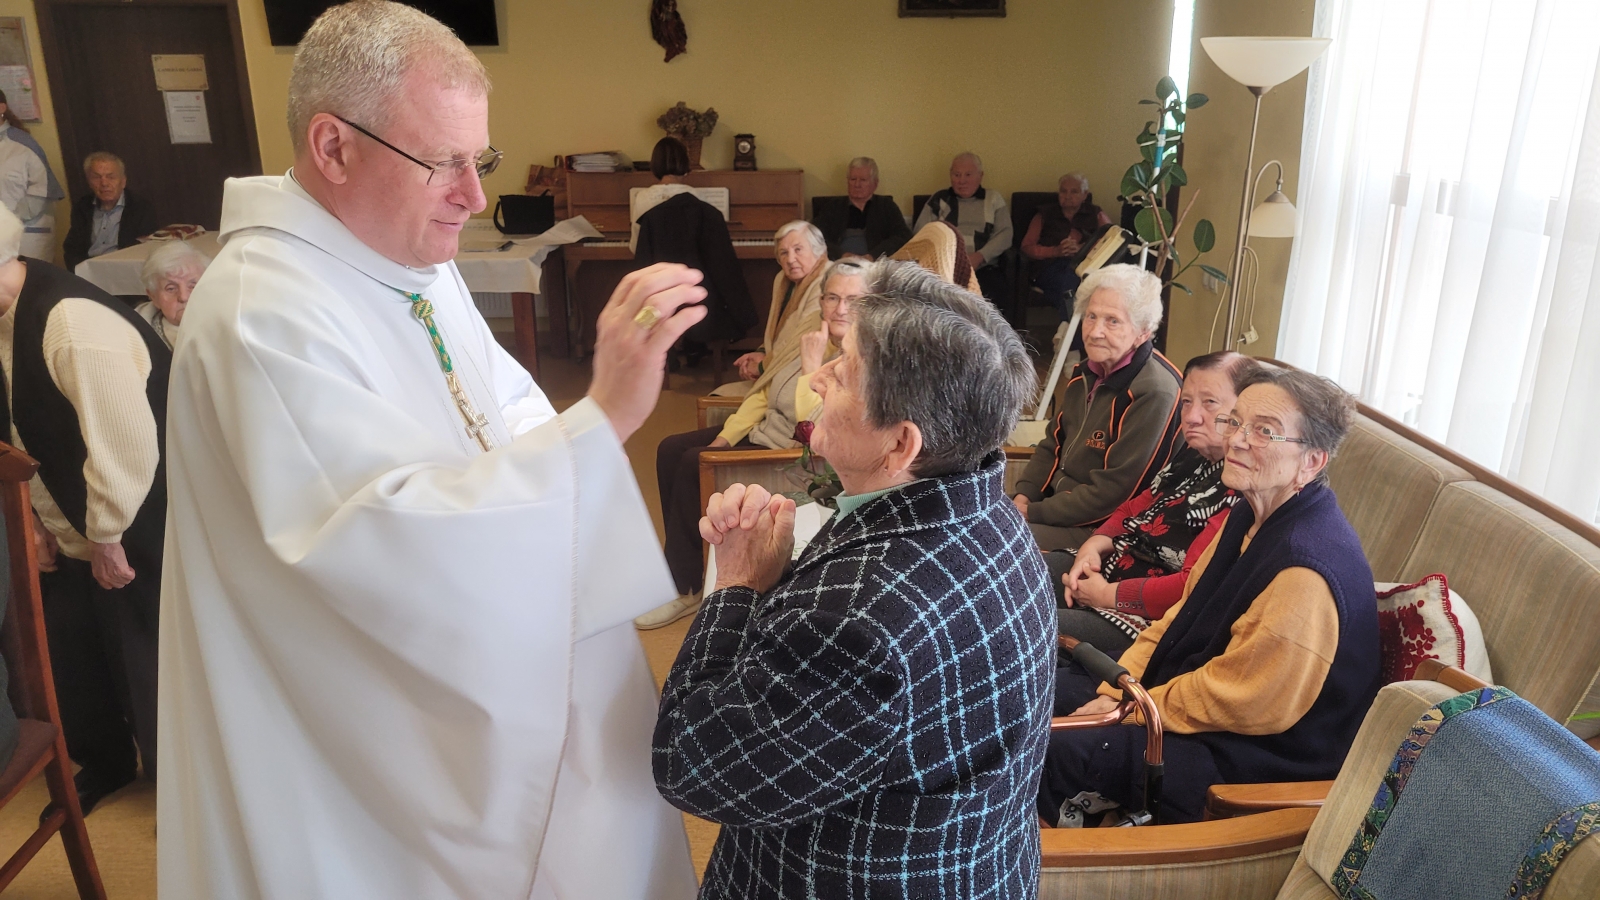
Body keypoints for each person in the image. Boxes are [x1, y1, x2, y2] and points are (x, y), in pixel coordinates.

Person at [159, 3, 703, 898]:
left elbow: (506, 414)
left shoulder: (406, 257)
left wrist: (582, 426)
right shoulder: (263, 312)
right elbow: (374, 543)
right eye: (442, 162)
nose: (475, 196)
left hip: (492, 692)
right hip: (359, 758)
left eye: (477, 158)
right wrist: (600, 418)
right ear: (332, 148)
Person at [654, 260, 1053, 899]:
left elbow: (691, 764)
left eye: (841, 370)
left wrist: (736, 586)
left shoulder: (857, 623)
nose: (817, 376)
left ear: (901, 445)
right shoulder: (991, 513)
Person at [1039, 366, 1380, 827]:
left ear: (1312, 461)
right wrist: (1115, 690)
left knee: (1057, 750)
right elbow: (1178, 619)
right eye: (1236, 421)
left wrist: (1134, 710)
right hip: (1182, 701)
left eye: (1264, 431)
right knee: (1033, 692)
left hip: (1252, 759)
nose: (1237, 439)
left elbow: (1242, 698)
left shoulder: (1306, 570)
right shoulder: (1246, 514)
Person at [0, 204, 168, 819]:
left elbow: (125, 444)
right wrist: (36, 521)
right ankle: (105, 763)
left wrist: (105, 536)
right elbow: (21, 424)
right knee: (73, 651)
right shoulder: (6, 310)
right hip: (67, 513)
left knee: (144, 654)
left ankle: (176, 788)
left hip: (137, 515)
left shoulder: (70, 323)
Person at [638, 258, 870, 629]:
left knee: (690, 463)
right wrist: (725, 436)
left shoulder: (862, 356)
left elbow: (814, 426)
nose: (840, 309)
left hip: (789, 449)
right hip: (764, 428)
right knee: (670, 448)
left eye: (853, 300)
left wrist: (812, 367)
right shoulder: (814, 334)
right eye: (832, 297)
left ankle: (687, 589)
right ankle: (680, 569)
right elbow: (764, 393)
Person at [1050, 351, 1248, 658]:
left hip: (1144, 618)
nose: (1192, 416)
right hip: (1112, 565)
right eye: (1186, 401)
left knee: (1020, 626)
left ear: (1243, 410)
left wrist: (1106, 595)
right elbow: (1133, 509)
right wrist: (1093, 547)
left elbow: (1190, 586)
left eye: (1209, 403)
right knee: (1010, 573)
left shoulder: (1242, 489)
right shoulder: (1194, 455)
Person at [1013, 263, 1182, 553]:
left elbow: (1115, 494)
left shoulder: (1155, 391)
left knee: (988, 544)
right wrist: (1024, 496)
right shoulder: (1085, 372)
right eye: (1091, 316)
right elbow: (1052, 444)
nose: (1095, 331)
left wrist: (1033, 514)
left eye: (1112, 321)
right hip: (1057, 509)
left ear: (1142, 331)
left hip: (1103, 531)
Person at [633, 136, 757, 346]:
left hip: (660, 292)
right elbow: (720, 261)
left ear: (654, 166)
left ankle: (663, 344)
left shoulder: (642, 199)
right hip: (700, 292)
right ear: (686, 168)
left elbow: (638, 250)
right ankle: (699, 343)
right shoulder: (701, 203)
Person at [728, 219, 827, 384]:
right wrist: (763, 351)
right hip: (780, 361)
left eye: (798, 250)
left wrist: (761, 367)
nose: (790, 259)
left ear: (817, 251)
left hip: (804, 370)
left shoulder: (826, 281)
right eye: (783, 253)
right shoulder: (782, 278)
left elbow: (799, 339)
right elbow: (779, 329)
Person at [912, 151, 1012, 306]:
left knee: (994, 293)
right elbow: (921, 234)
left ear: (980, 176)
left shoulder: (993, 199)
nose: (962, 181)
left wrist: (979, 256)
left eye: (968, 175)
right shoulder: (939, 199)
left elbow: (1005, 234)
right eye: (957, 175)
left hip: (982, 266)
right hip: (944, 267)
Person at [1021, 173, 1112, 319]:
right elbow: (1027, 246)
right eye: (1063, 191)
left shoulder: (1096, 214)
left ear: (1085, 195)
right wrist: (1055, 251)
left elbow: (1111, 240)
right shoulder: (1044, 214)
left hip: (1085, 266)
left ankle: (1069, 326)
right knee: (1071, 280)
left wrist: (1084, 249)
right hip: (1050, 266)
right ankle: (1074, 326)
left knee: (1074, 279)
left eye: (1074, 192)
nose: (1067, 196)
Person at [63, 152, 159, 270]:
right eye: (97, 177)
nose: (104, 183)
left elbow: (144, 249)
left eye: (111, 177)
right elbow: (72, 249)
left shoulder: (141, 208)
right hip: (89, 271)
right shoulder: (82, 207)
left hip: (124, 270)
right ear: (89, 181)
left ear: (123, 181)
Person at [0, 90, 61, 260]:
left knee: (30, 284)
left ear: (2, 108)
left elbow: (43, 189)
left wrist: (10, 221)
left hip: (28, 234)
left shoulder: (23, 144)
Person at [811, 157, 911, 259]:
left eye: (863, 180)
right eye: (853, 179)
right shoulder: (832, 206)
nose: (857, 184)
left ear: (875, 184)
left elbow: (903, 236)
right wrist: (841, 255)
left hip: (876, 265)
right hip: (837, 264)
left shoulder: (887, 206)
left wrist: (873, 256)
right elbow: (813, 237)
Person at [135, 240, 209, 349]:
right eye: (171, 289)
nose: (183, 297)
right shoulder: (134, 333)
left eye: (193, 286)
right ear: (154, 297)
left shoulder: (232, 325)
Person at [890, 219, 982, 293]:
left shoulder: (888, 206)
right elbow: (921, 232)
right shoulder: (936, 200)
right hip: (894, 264)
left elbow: (902, 235)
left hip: (984, 265)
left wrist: (981, 256)